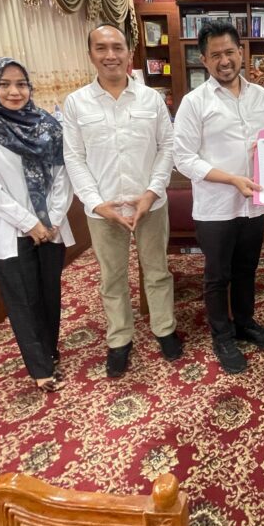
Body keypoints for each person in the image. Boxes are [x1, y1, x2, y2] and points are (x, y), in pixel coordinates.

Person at [62, 23, 181, 379]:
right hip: (103, 209)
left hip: (150, 205)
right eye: (101, 48)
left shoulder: (151, 99)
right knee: (112, 277)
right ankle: (119, 339)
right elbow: (74, 157)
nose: (110, 55)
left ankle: (165, 329)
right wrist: (96, 203)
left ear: (130, 53)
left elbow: (167, 148)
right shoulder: (76, 103)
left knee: (157, 271)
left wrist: (152, 192)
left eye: (117, 48)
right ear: (90, 55)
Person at [0, 57, 75, 393]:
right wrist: (29, 222)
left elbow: (63, 175)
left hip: (51, 228)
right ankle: (40, 369)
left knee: (49, 296)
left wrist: (52, 218)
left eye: (21, 84)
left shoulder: (48, 126)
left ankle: (49, 351)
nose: (14, 91)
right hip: (10, 229)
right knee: (23, 301)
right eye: (4, 84)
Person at [173, 20, 264, 374]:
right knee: (217, 275)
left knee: (247, 269)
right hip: (216, 207)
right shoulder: (194, 102)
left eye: (230, 52)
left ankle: (245, 323)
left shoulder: (261, 95)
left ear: (241, 53)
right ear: (204, 60)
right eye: (216, 55)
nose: (224, 60)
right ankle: (222, 336)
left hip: (255, 205)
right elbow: (183, 158)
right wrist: (231, 179)